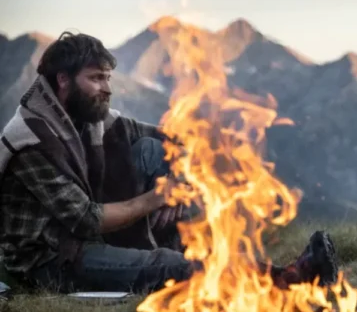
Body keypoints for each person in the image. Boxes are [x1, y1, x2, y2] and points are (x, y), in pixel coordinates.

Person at [0, 31, 338, 293]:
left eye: (107, 78)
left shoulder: (84, 117)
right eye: (96, 78)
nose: (107, 88)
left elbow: (169, 138)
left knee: (152, 149)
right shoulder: (32, 139)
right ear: (63, 80)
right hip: (50, 259)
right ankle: (285, 278)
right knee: (165, 267)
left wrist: (183, 175)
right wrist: (157, 197)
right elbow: (86, 220)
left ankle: (178, 248)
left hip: (81, 236)